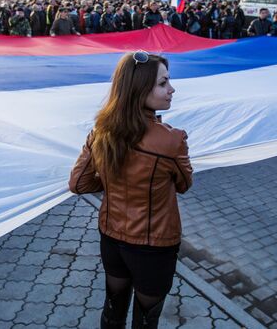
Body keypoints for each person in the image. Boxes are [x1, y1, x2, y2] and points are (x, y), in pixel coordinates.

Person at [69, 51, 192, 328]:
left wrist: (113, 179)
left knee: (113, 310)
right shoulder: (172, 141)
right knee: (146, 321)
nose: (172, 89)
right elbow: (184, 184)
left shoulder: (101, 131)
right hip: (154, 246)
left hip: (112, 239)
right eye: (163, 83)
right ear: (139, 89)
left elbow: (78, 183)